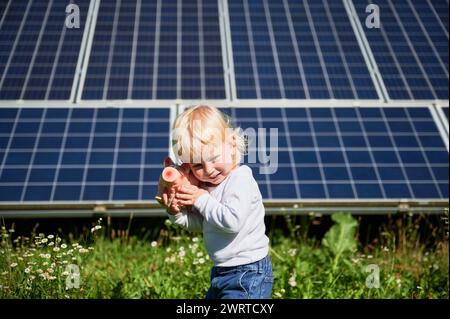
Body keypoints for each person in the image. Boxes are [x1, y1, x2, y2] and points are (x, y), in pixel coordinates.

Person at [158, 105, 273, 299]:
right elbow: (203, 225)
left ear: (232, 144)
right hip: (222, 271)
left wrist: (200, 199)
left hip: (249, 271)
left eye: (213, 158)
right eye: (197, 165)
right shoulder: (209, 186)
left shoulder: (240, 179)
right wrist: (177, 213)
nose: (209, 170)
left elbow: (231, 221)